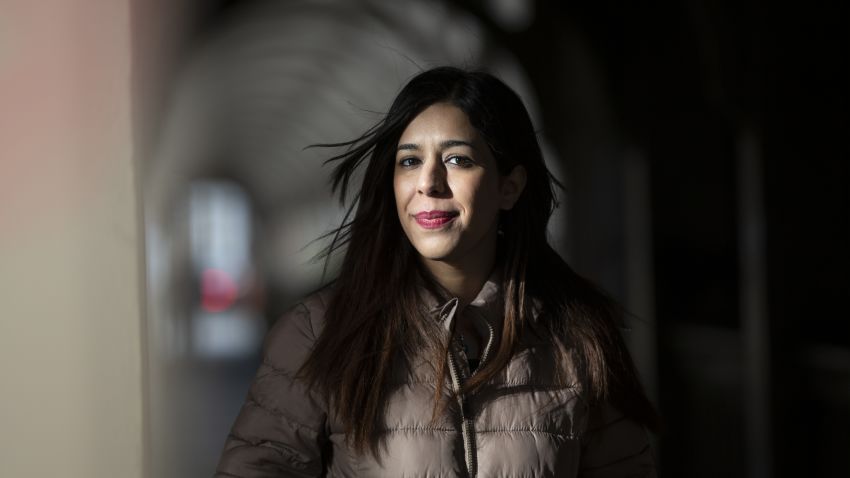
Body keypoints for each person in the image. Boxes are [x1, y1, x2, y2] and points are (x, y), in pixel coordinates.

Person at [215, 66, 658, 477]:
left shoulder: (577, 339)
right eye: (409, 161)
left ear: (510, 186)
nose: (428, 182)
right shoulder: (319, 333)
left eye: (457, 160)